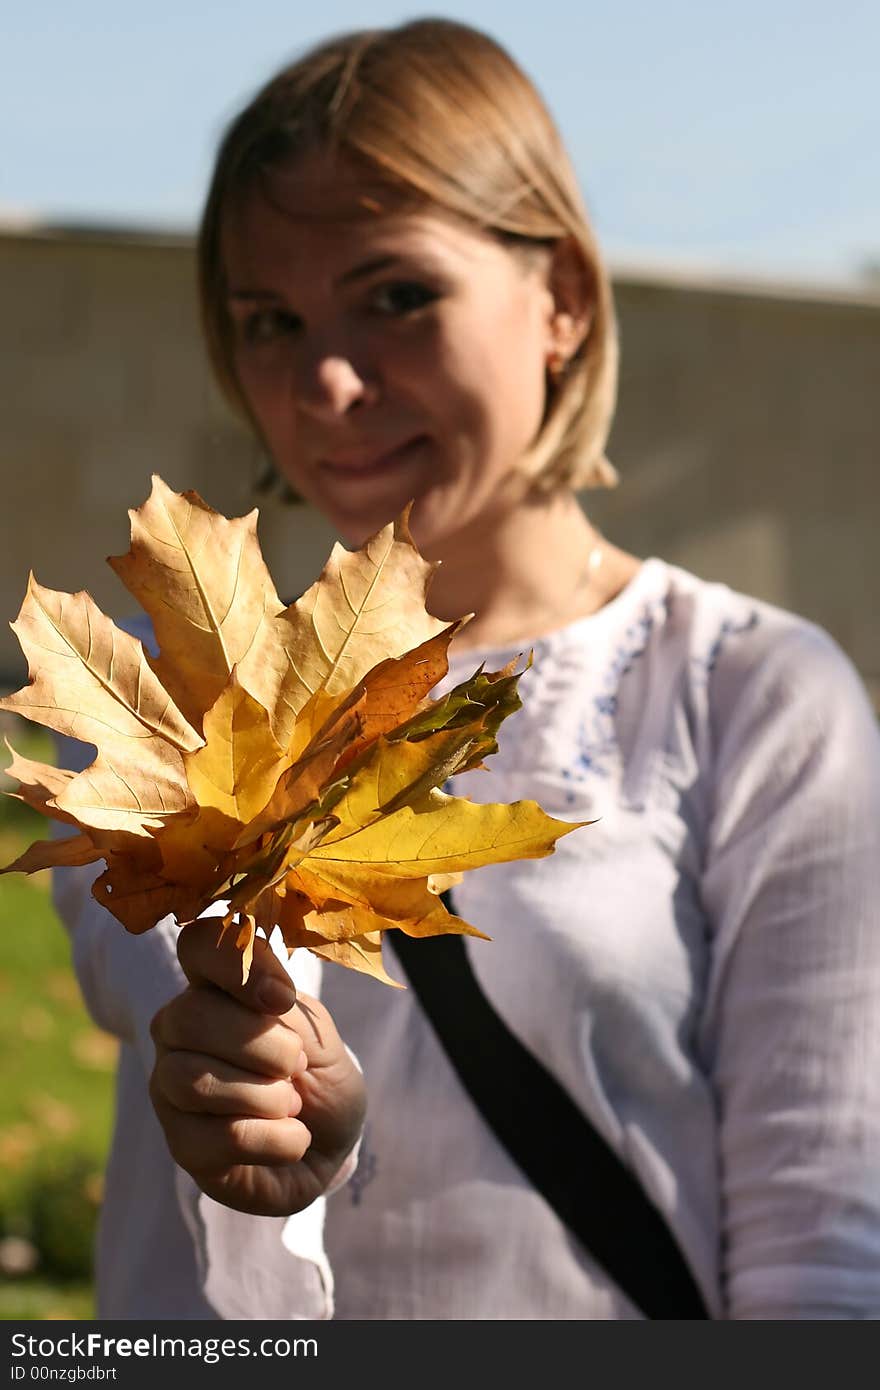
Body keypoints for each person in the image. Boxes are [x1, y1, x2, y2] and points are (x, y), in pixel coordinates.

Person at [53, 17, 880, 1320]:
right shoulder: (172, 698)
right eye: (268, 319)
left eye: (396, 296)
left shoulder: (751, 699)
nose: (325, 380)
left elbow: (823, 1256)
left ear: (562, 299)